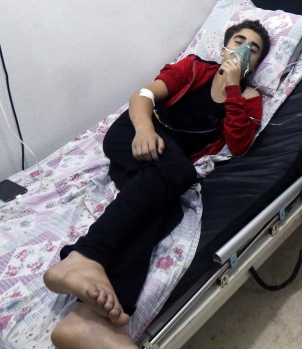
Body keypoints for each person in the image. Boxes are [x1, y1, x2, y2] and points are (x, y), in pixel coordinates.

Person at [43, 19, 271, 349]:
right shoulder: (194, 68)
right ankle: (85, 256)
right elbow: (144, 95)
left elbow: (238, 144)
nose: (244, 49)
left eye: (254, 48)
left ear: (257, 62)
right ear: (224, 48)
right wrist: (144, 130)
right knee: (180, 175)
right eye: (239, 40)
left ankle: (88, 321)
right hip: (133, 138)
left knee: (166, 211)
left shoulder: (249, 99)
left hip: (163, 169)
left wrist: (234, 87)